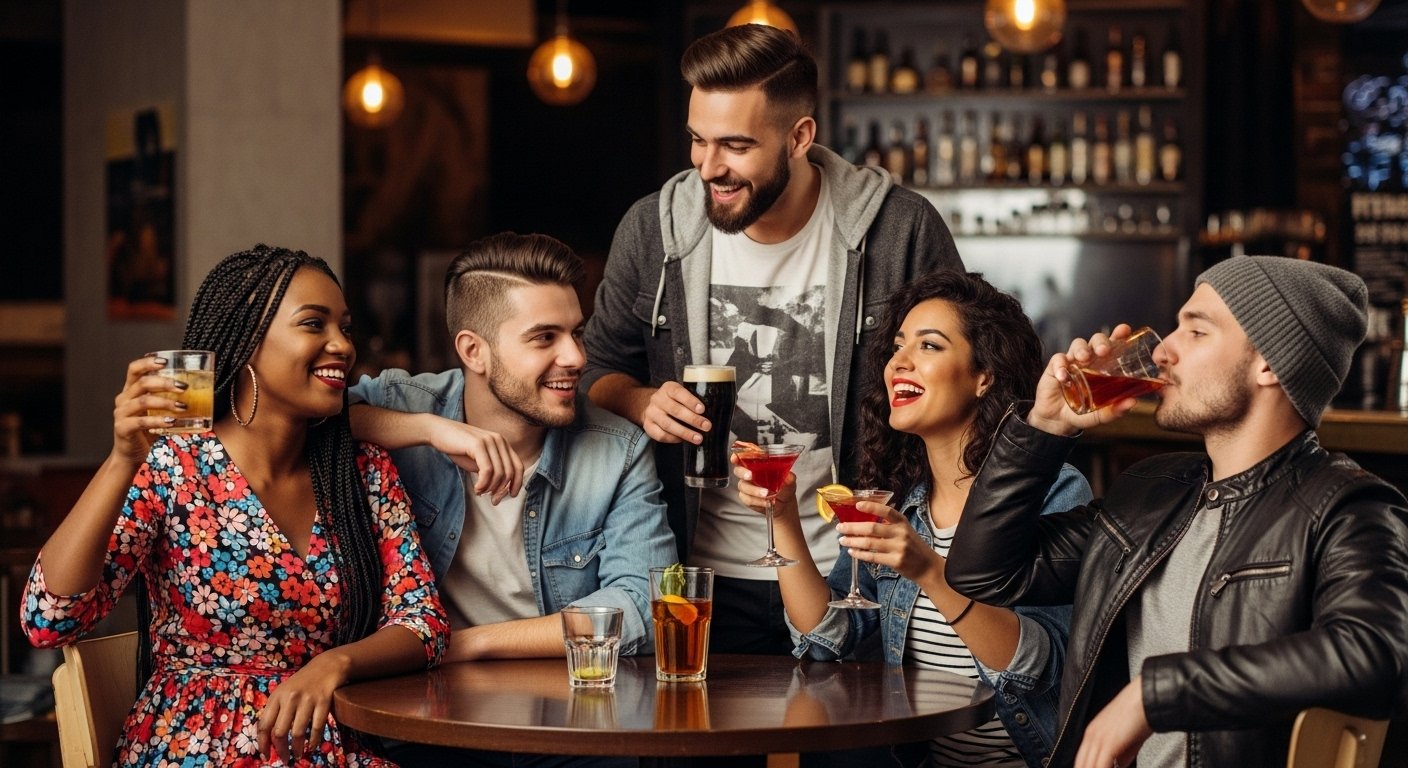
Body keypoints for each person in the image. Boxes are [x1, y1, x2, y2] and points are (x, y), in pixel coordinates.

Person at [583, 23, 963, 655]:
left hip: (857, 577)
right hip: (697, 574)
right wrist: (640, 400)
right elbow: (595, 371)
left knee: (856, 723)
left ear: (799, 137)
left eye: (735, 146)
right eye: (698, 140)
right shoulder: (653, 230)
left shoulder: (900, 228)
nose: (709, 167)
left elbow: (968, 374)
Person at [945, 255, 1408, 768]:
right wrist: (1045, 427)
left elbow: (1374, 654)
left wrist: (1155, 694)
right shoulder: (1150, 492)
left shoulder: (1346, 507)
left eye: (1197, 331)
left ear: (1270, 364)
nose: (1163, 350)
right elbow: (982, 572)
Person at [22, 244, 449, 766]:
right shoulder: (174, 465)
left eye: (345, 327)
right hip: (198, 749)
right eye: (313, 324)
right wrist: (122, 460)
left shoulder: (362, 471)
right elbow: (50, 621)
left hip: (330, 743)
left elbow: (423, 623)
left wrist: (334, 664)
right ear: (248, 341)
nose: (342, 346)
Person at [736, 271, 1091, 767]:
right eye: (898, 345)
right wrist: (783, 516)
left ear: (984, 376)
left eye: (929, 345)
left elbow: (1040, 665)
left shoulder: (1053, 490)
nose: (898, 362)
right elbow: (830, 638)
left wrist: (928, 570)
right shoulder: (902, 502)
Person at [348, 232, 676, 765]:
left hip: (572, 724)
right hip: (425, 722)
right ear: (473, 351)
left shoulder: (618, 448)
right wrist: (429, 430)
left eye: (576, 332)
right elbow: (301, 419)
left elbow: (645, 606)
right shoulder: (405, 405)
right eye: (544, 338)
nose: (576, 357)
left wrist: (466, 643)